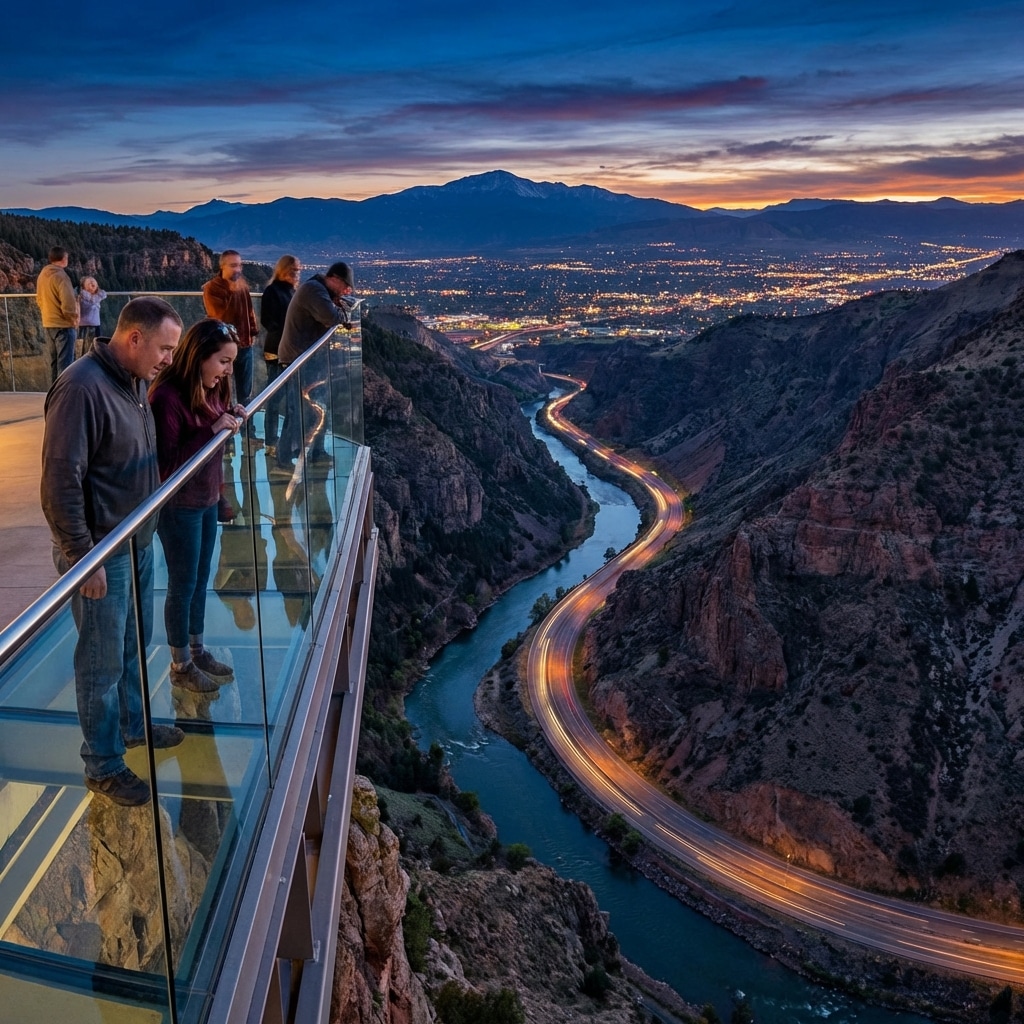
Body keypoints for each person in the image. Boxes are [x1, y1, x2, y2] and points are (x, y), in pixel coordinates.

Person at [40, 296, 185, 806]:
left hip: (135, 541)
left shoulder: (134, 380)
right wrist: (84, 558)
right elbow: (59, 481)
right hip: (101, 551)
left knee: (131, 646)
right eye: (165, 349)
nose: (169, 359)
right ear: (134, 338)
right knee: (101, 662)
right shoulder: (81, 388)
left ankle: (131, 725)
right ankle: (102, 765)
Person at [150, 319, 247, 695]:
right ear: (199, 356)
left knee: (200, 577)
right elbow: (166, 467)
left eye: (231, 362)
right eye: (223, 361)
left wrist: (229, 415)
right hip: (179, 507)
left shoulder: (214, 389)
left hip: (205, 500)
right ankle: (180, 664)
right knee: (183, 583)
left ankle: (197, 648)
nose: (228, 370)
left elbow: (213, 451)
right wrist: (211, 431)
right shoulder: (168, 399)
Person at [273, 261, 355, 476]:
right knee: (298, 411)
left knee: (318, 407)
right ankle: (283, 461)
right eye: (345, 286)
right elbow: (332, 318)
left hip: (309, 360)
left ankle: (316, 451)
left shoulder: (318, 289)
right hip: (298, 360)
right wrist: (341, 311)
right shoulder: (314, 290)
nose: (346, 291)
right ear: (334, 278)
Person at [202, 250, 258, 406]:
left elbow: (250, 311)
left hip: (245, 347)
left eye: (240, 265)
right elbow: (219, 317)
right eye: (233, 266)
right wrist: (233, 289)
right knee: (221, 394)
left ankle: (248, 429)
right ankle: (224, 428)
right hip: (223, 349)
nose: (238, 270)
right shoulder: (212, 288)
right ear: (222, 267)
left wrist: (253, 332)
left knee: (245, 395)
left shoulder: (242, 287)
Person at [260, 255, 301, 455]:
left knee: (292, 402)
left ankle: (287, 443)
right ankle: (271, 443)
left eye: (298, 270)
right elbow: (268, 321)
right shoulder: (272, 291)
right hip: (276, 351)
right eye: (293, 270)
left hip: (290, 352)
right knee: (275, 399)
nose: (296, 274)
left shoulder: (292, 292)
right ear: (283, 270)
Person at [35, 246, 78, 382]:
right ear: (64, 259)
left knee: (54, 363)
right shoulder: (61, 277)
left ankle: (53, 396)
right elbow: (68, 303)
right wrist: (73, 320)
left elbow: (39, 299)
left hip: (48, 323)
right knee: (65, 364)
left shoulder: (43, 275)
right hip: (63, 325)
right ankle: (64, 397)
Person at [77, 276, 107, 355]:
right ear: (84, 286)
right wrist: (99, 295)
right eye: (89, 282)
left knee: (95, 348)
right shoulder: (82, 297)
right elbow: (90, 304)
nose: (92, 283)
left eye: (93, 281)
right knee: (87, 350)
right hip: (85, 326)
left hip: (95, 324)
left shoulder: (96, 297)